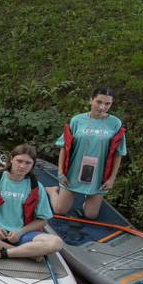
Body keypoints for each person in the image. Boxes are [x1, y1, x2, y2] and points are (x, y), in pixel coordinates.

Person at [0, 144, 63, 261]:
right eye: (19, 161)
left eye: (28, 163)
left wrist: (20, 232)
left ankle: (0, 253)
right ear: (11, 159)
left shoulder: (37, 187)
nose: (22, 166)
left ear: (32, 165)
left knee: (56, 242)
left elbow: (43, 220)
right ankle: (26, 253)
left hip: (22, 234)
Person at [50, 86, 126, 218]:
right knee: (60, 210)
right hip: (74, 170)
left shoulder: (115, 123)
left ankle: (88, 199)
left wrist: (112, 178)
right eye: (99, 102)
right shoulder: (77, 120)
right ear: (91, 100)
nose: (102, 107)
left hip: (98, 174)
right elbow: (64, 146)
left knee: (91, 215)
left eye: (107, 103)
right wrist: (61, 172)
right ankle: (52, 191)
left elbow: (118, 153)